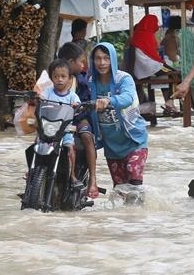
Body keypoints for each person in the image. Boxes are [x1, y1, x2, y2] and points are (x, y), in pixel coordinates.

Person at [89, 42, 149, 196]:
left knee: (134, 182)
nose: (102, 63)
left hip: (134, 140)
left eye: (106, 58)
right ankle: (125, 220)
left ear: (113, 60)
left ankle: (139, 217)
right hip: (111, 146)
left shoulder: (124, 79)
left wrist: (110, 101)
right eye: (97, 58)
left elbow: (128, 97)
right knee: (120, 190)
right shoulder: (90, 82)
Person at [56, 42, 99, 198]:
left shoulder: (82, 79)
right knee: (40, 135)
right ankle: (33, 172)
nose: (83, 65)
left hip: (78, 118)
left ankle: (93, 179)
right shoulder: (52, 77)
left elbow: (88, 98)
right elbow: (42, 91)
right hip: (56, 119)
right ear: (69, 62)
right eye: (81, 61)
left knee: (87, 137)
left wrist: (83, 105)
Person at [39, 59, 83, 187]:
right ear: (51, 78)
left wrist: (77, 106)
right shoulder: (47, 92)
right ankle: (33, 171)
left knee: (70, 147)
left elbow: (79, 107)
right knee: (37, 144)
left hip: (65, 129)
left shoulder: (72, 96)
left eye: (63, 76)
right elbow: (40, 98)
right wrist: (39, 98)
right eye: (56, 76)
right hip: (48, 127)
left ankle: (72, 175)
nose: (59, 79)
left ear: (70, 79)